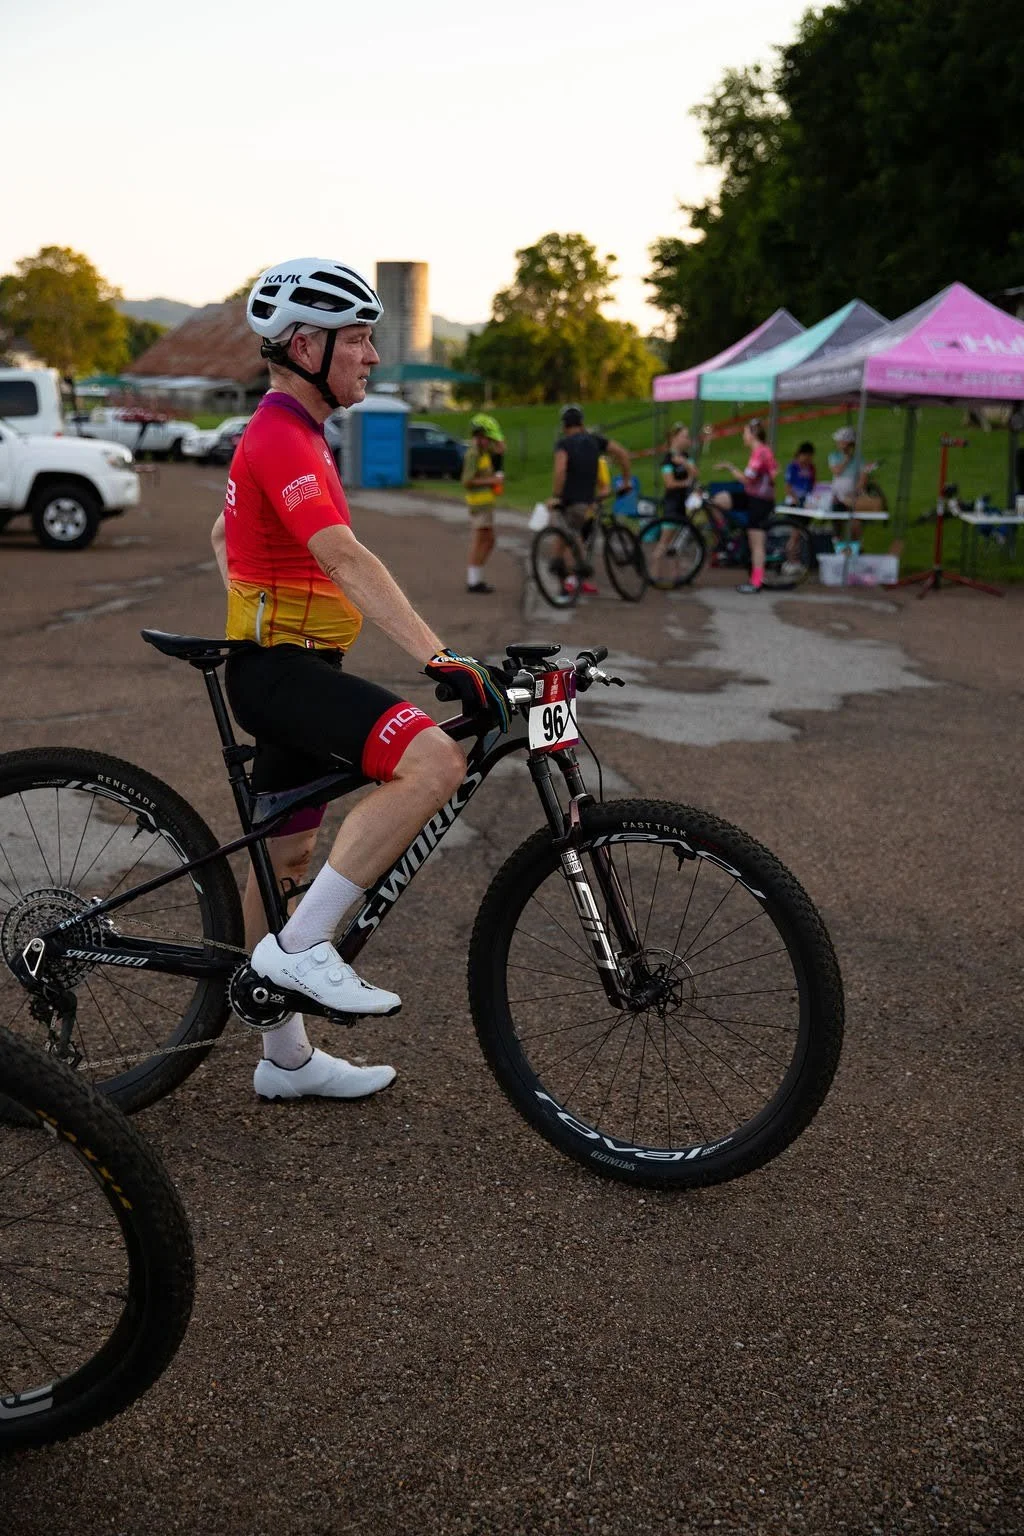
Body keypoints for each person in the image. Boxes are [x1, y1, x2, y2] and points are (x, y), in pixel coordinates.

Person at [209, 257, 510, 1103]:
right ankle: (304, 950)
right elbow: (342, 555)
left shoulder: (294, 434)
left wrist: (254, 607)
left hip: (288, 666)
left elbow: (222, 536)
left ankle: (284, 1057)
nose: (372, 356)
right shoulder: (281, 434)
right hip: (280, 674)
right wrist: (440, 657)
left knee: (286, 857)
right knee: (433, 760)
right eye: (358, 339)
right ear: (305, 346)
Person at [548, 405, 631, 595]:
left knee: (568, 536)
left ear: (564, 426)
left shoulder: (563, 444)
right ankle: (570, 576)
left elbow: (560, 471)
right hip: (586, 500)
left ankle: (571, 576)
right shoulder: (596, 441)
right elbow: (623, 454)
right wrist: (626, 481)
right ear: (582, 424)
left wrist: (556, 496)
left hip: (569, 499)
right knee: (569, 536)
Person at [712, 420, 779, 593]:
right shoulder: (760, 451)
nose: (743, 436)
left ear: (753, 434)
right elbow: (773, 472)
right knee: (718, 500)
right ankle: (728, 537)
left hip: (760, 501)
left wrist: (730, 467)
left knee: (757, 543)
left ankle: (756, 582)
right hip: (752, 496)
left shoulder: (761, 452)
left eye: (745, 432)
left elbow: (747, 479)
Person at [461, 414, 503, 594]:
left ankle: (476, 576)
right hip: (478, 505)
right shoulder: (473, 454)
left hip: (486, 504)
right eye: (486, 438)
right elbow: (467, 480)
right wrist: (491, 480)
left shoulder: (484, 452)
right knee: (480, 541)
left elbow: (500, 447)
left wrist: (497, 438)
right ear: (478, 437)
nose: (488, 441)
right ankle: (473, 581)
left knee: (489, 541)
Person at [661, 424, 699, 517]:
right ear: (675, 438)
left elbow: (695, 473)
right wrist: (686, 483)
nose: (688, 440)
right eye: (685, 437)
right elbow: (670, 484)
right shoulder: (668, 459)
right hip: (674, 501)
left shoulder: (685, 456)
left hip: (688, 498)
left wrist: (684, 463)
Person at [783, 441, 816, 506]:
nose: (809, 460)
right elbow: (787, 486)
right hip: (793, 497)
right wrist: (795, 498)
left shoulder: (811, 468)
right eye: (808, 457)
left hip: (807, 497)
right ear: (801, 454)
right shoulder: (792, 467)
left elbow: (813, 484)